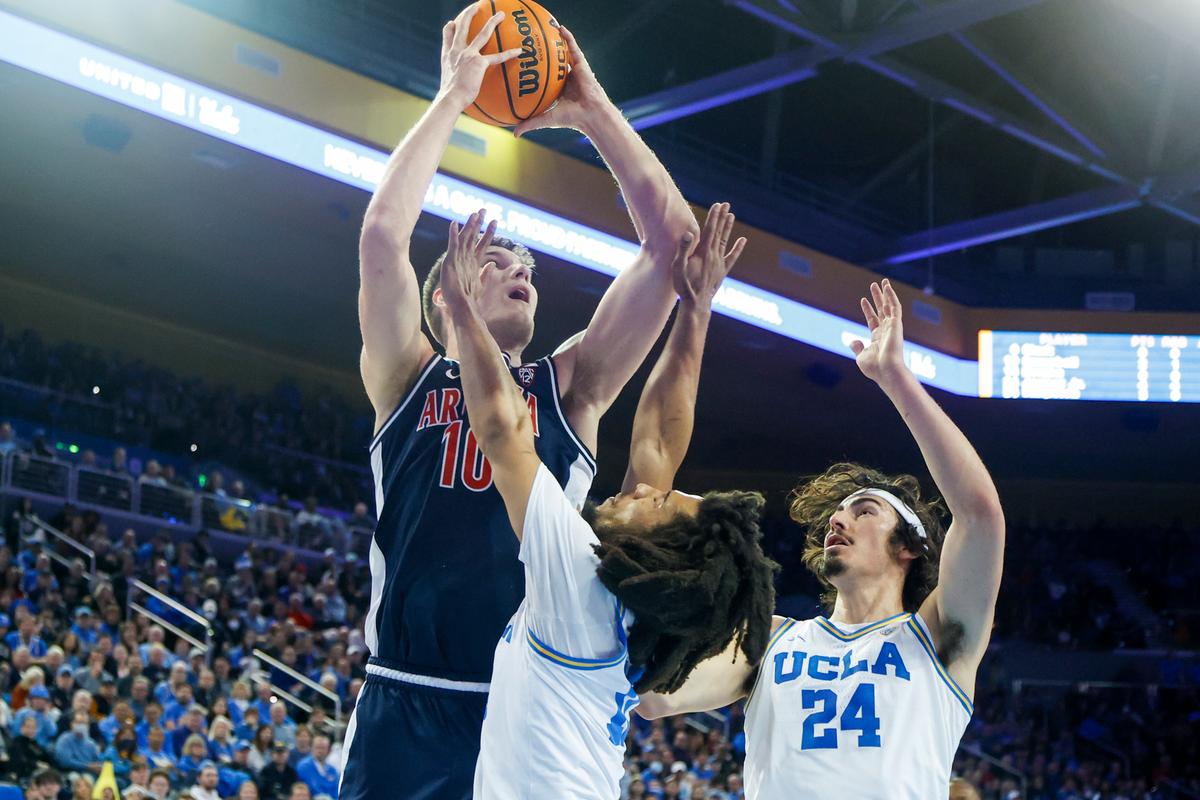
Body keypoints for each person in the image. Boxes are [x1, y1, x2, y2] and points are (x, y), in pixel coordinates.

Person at [342, 4, 698, 798]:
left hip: (529, 701)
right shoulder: (407, 375)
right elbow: (380, 238)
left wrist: (591, 109)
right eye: (499, 259)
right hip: (407, 693)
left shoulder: (569, 386)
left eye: (529, 267)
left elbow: (673, 248)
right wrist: (454, 97)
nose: (521, 271)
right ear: (446, 299)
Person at [440, 208, 775, 798]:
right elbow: (657, 442)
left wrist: (464, 309)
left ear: (657, 549)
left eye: (661, 503)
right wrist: (694, 311)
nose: (646, 488)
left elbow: (502, 431)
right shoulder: (620, 599)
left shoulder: (575, 575)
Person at [638, 280, 1006, 800]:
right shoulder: (770, 640)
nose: (838, 521)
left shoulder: (939, 634)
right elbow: (658, 696)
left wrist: (896, 379)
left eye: (863, 510)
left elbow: (980, 514)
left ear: (909, 547)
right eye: (835, 515)